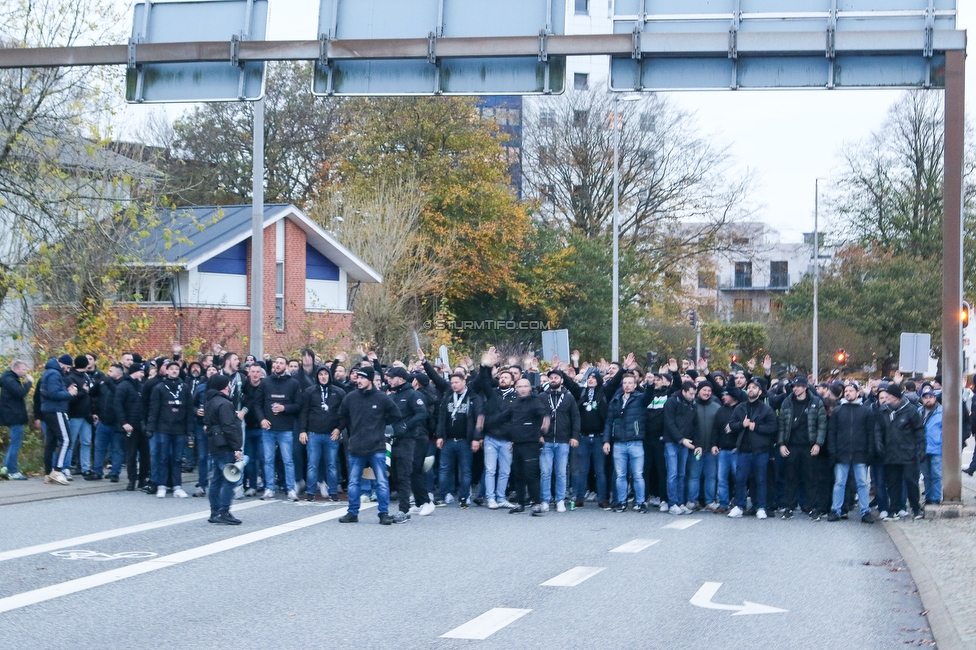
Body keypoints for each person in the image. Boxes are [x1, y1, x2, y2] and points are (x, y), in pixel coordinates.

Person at [336, 367, 402, 525]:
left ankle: (383, 513)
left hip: (377, 447)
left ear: (371, 380)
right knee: (353, 482)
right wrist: (339, 429)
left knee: (381, 482)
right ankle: (352, 512)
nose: (358, 380)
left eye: (362, 378)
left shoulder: (381, 398)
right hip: (356, 446)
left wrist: (381, 424)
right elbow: (341, 415)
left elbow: (396, 415)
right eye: (357, 377)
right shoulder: (351, 397)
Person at [603, 372, 657, 513]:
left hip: (635, 441)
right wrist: (606, 440)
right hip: (619, 443)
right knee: (620, 475)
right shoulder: (616, 400)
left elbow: (649, 397)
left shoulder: (640, 398)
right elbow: (609, 422)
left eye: (630, 383)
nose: (627, 385)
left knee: (638, 474)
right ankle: (621, 502)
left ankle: (641, 502)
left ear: (635, 385)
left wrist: (650, 384)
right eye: (625, 383)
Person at [776, 375, 827, 520]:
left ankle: (813, 508)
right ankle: (789, 507)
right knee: (790, 478)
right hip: (791, 445)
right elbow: (781, 425)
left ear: (805, 387)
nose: (795, 388)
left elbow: (822, 425)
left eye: (798, 386)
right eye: (794, 386)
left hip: (809, 446)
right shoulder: (787, 402)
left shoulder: (816, 402)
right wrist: (781, 444)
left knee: (811, 478)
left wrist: (818, 443)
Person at [826, 383, 878, 523]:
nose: (848, 393)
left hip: (860, 453)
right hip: (841, 453)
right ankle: (835, 510)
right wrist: (833, 451)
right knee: (839, 483)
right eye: (846, 391)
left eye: (851, 390)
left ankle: (865, 511)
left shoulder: (866, 411)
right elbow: (832, 432)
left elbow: (870, 434)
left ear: (857, 393)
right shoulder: (838, 411)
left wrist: (869, 452)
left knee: (862, 483)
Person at [727, 377, 776, 519]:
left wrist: (757, 427)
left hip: (761, 451)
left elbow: (773, 428)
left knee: (761, 479)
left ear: (760, 392)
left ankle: (761, 507)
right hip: (743, 450)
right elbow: (731, 425)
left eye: (754, 388)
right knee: (740, 479)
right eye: (749, 388)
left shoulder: (766, 409)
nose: (751, 390)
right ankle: (739, 505)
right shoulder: (740, 408)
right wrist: (742, 424)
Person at [500, 378, 550, 516]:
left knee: (531, 474)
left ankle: (536, 503)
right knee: (518, 475)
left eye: (525, 386)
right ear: (516, 388)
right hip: (517, 443)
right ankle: (520, 503)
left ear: (530, 388)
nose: (522, 389)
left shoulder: (535, 401)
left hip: (531, 444)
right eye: (519, 386)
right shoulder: (515, 403)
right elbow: (503, 418)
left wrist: (545, 423)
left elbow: (544, 414)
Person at [384, 366, 428, 522]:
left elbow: (422, 413)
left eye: (392, 377)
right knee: (394, 475)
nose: (389, 379)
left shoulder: (412, 394)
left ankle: (404, 510)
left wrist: (406, 425)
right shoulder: (391, 395)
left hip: (406, 440)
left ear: (401, 379)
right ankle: (403, 504)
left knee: (404, 475)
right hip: (391, 440)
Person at [434, 373, 484, 508]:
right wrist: (439, 435)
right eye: (452, 382)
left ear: (464, 382)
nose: (454, 385)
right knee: (444, 469)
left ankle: (464, 496)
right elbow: (441, 417)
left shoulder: (474, 398)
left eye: (456, 382)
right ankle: (441, 496)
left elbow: (480, 419)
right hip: (448, 440)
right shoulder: (448, 396)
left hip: (465, 441)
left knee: (465, 470)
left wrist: (476, 438)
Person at [877, 382, 925, 520]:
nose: (886, 398)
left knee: (911, 481)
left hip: (908, 453)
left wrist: (920, 448)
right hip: (890, 453)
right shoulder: (884, 410)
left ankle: (916, 509)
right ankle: (894, 509)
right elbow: (879, 429)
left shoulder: (910, 410)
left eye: (889, 396)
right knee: (893, 482)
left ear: (896, 397)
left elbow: (919, 431)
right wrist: (879, 443)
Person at [298, 366, 345, 502]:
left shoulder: (339, 392)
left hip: (332, 434)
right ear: (317, 377)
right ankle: (311, 492)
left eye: (325, 374)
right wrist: (302, 430)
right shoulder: (310, 392)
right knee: (312, 464)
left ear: (329, 376)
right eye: (320, 374)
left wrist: (339, 429)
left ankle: (333, 492)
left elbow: (344, 413)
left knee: (331, 464)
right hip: (313, 433)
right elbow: (304, 412)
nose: (323, 377)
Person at [147, 360, 194, 498]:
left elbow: (190, 409)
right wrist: (150, 427)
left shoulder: (184, 387)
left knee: (178, 458)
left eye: (176, 369)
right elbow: (153, 409)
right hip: (163, 428)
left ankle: (177, 486)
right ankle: (162, 485)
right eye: (171, 369)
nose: (174, 371)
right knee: (163, 457)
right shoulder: (159, 387)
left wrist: (189, 429)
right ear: (166, 371)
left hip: (179, 428)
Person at [258, 356, 302, 501]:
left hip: (286, 428)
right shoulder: (265, 382)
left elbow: (298, 405)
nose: (277, 365)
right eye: (276, 362)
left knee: (288, 460)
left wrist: (285, 407)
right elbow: (257, 404)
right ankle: (269, 488)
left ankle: (291, 489)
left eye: (281, 363)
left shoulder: (293, 383)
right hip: (268, 428)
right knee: (268, 460)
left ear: (287, 366)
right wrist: (262, 419)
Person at [203, 374, 244, 525]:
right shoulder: (225, 404)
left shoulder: (210, 401)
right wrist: (236, 447)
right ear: (225, 386)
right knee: (230, 479)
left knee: (217, 479)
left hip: (215, 444)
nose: (230, 386)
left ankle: (214, 511)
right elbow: (229, 427)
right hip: (226, 445)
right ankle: (224, 511)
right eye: (228, 384)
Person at [539, 368, 580, 512]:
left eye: (556, 377)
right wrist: (539, 435)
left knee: (562, 472)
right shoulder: (542, 396)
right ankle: (545, 500)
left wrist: (574, 436)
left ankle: (560, 500)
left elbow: (575, 418)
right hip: (546, 441)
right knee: (545, 472)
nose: (553, 380)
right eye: (551, 378)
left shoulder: (568, 397)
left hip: (563, 441)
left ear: (562, 380)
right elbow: (536, 417)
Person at [39, 355, 77, 486]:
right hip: (56, 410)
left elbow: (50, 392)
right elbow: (54, 394)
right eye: (67, 367)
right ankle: (57, 470)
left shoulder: (48, 373)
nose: (67, 371)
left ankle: (48, 472)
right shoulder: (54, 374)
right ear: (62, 364)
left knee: (51, 442)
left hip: (49, 411)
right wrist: (70, 394)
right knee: (66, 440)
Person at [662, 380, 698, 514]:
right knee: (672, 474)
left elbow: (695, 425)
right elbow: (669, 423)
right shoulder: (672, 402)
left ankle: (680, 502)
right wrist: (681, 439)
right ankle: (672, 503)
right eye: (690, 394)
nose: (693, 396)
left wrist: (696, 443)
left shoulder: (693, 404)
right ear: (683, 391)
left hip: (686, 443)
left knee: (681, 474)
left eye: (694, 394)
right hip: (672, 442)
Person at [574, 371, 608, 509]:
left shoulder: (603, 393)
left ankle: (602, 499)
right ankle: (579, 498)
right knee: (582, 470)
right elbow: (571, 385)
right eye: (589, 378)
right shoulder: (582, 394)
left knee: (600, 470)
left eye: (594, 378)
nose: (591, 380)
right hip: (583, 438)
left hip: (599, 437)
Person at [115, 362, 149, 491]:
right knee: (131, 454)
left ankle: (142, 479)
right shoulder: (124, 386)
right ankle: (132, 480)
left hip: (142, 426)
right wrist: (124, 422)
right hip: (130, 426)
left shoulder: (141, 386)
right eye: (141, 371)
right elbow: (118, 405)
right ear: (135, 371)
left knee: (145, 454)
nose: (143, 373)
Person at [688, 382, 720, 512]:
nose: (706, 393)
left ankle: (710, 501)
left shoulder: (717, 407)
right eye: (704, 390)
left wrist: (715, 444)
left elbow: (718, 429)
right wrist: (695, 444)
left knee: (711, 476)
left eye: (709, 390)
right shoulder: (692, 405)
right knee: (694, 475)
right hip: (696, 448)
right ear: (698, 391)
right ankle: (692, 500)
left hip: (711, 448)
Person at [0, 360, 33, 480]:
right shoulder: (10, 380)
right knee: (16, 443)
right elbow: (21, 393)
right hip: (14, 415)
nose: (25, 372)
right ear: (16, 369)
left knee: (14, 442)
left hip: (12, 414)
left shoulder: (9, 379)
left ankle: (6, 468)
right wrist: (28, 383)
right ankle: (12, 470)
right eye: (24, 369)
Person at [91, 363, 124, 482]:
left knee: (116, 449)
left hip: (117, 423)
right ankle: (97, 471)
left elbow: (119, 396)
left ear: (118, 373)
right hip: (103, 421)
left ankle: (115, 472)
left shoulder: (123, 384)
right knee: (99, 448)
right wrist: (96, 384)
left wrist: (109, 383)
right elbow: (93, 394)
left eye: (111, 371)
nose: (108, 374)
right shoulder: (104, 384)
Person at [65, 355, 95, 479]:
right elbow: (71, 398)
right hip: (75, 415)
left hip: (86, 415)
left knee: (86, 442)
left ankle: (86, 468)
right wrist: (83, 392)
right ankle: (65, 468)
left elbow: (91, 395)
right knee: (70, 442)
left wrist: (93, 411)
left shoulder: (87, 376)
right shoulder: (71, 378)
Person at [918, 385, 943, 506]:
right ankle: (928, 498)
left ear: (935, 398)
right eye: (925, 397)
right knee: (926, 476)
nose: (928, 399)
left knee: (936, 475)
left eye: (930, 397)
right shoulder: (919, 412)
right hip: (922, 448)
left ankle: (936, 499)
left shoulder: (942, 412)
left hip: (937, 448)